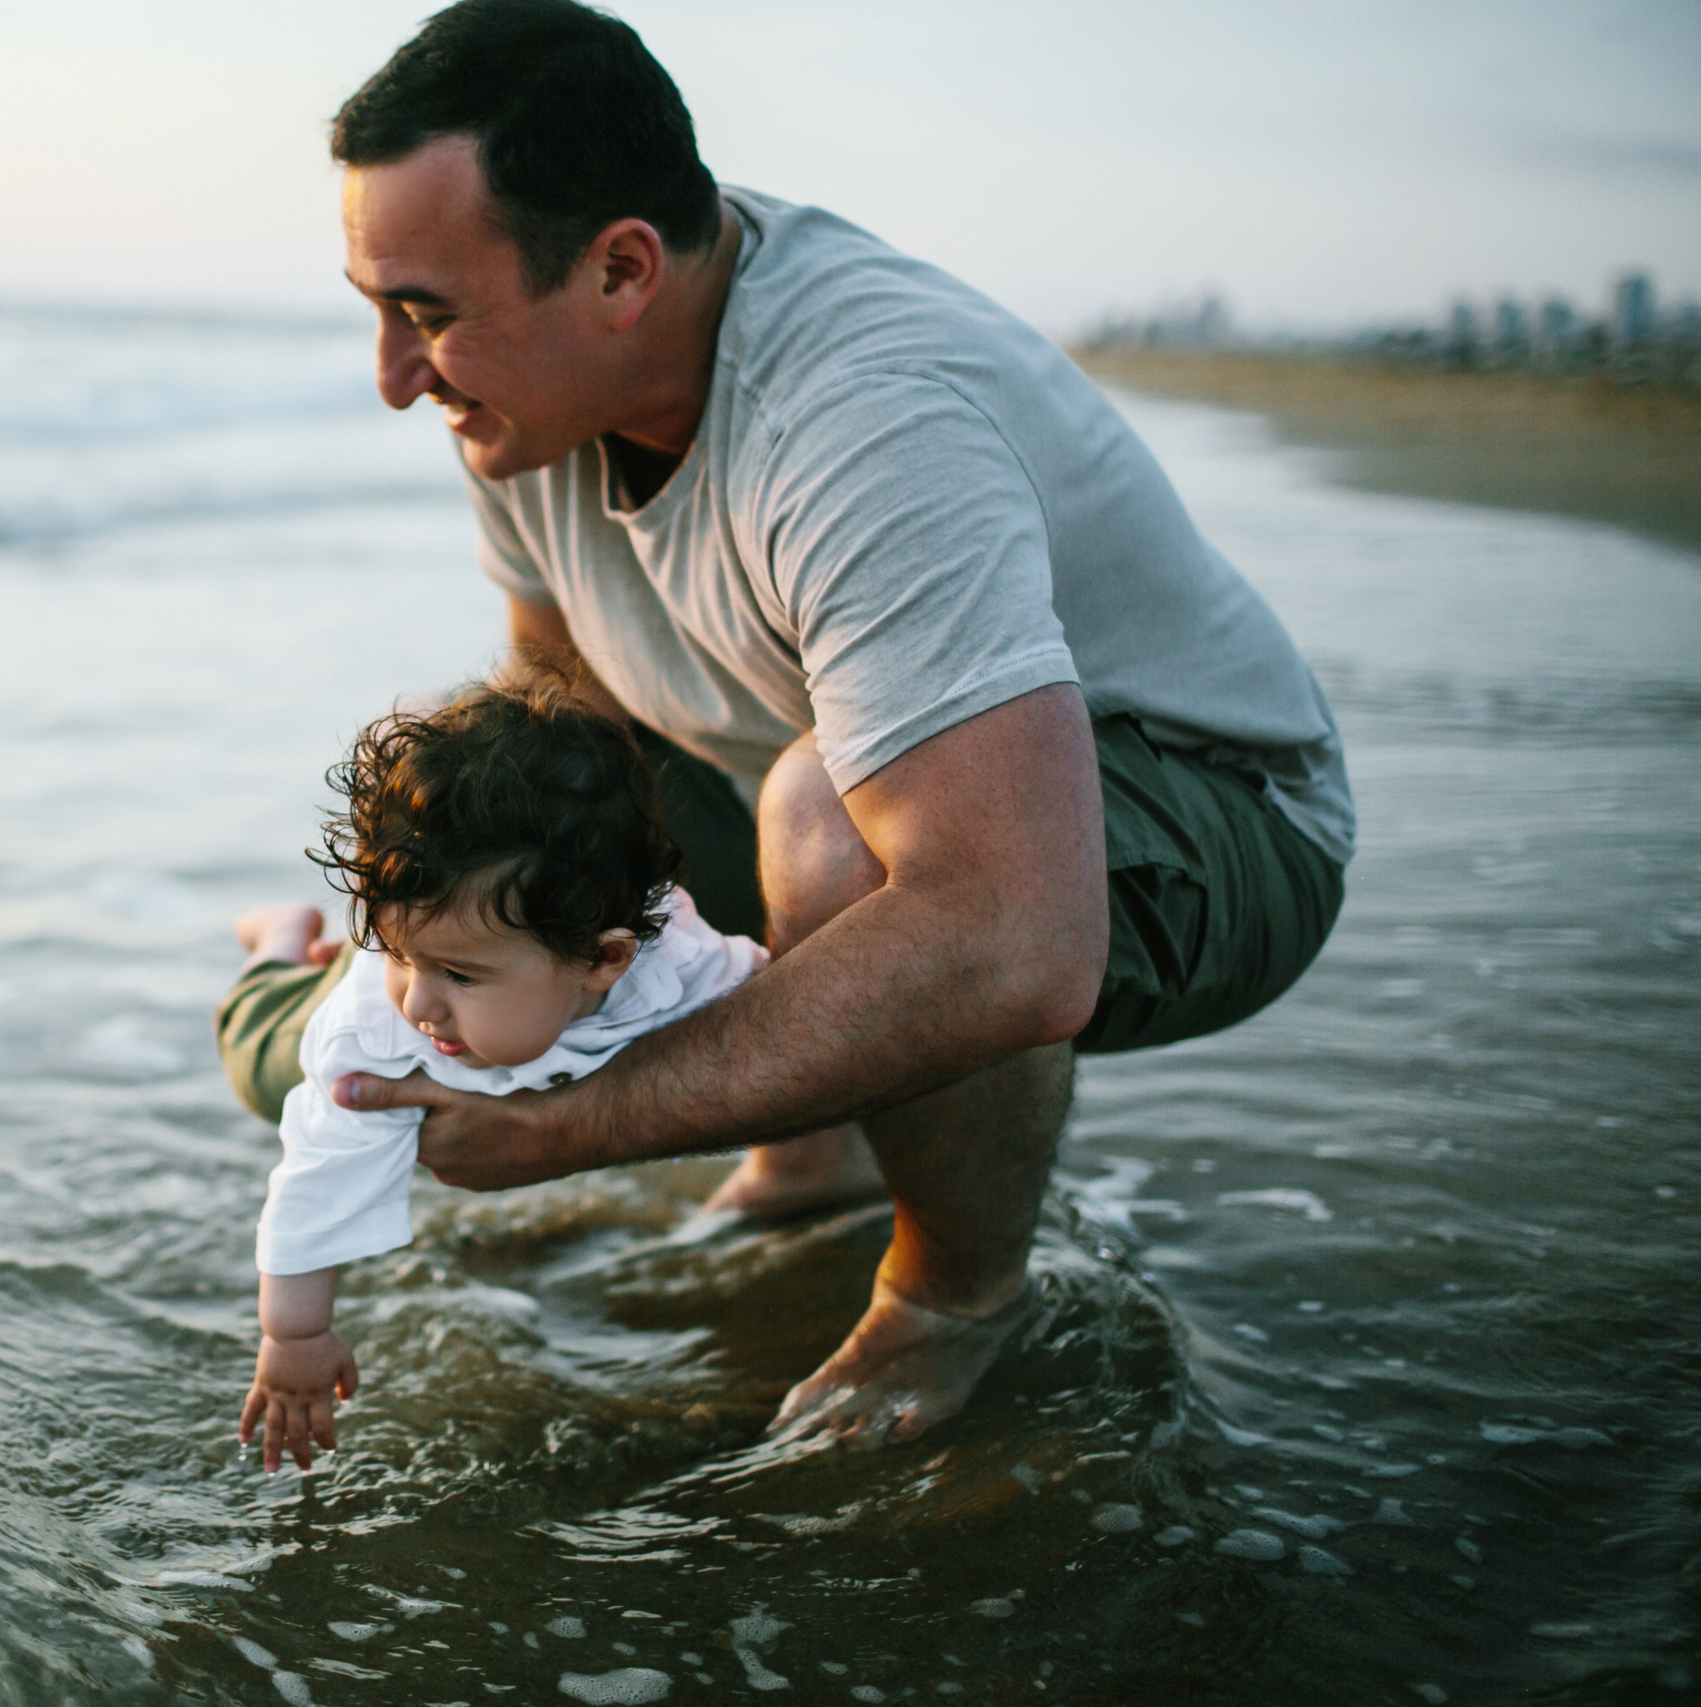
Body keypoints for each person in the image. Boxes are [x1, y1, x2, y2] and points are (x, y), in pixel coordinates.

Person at [248, 0, 1354, 1450]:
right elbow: (565, 746)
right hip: (864, 779)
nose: (397, 376)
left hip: (1215, 821)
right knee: (585, 820)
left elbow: (1011, 931)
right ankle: (806, 1156)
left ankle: (955, 1291)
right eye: (379, 306)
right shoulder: (524, 405)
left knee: (836, 821)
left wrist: (578, 1123)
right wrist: (409, 938)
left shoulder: (862, 420)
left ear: (623, 268)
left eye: (429, 314)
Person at [227, 680, 767, 1470]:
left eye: (460, 978)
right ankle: (280, 936)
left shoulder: (680, 968)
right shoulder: (377, 1028)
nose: (421, 1003)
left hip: (439, 922)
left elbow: (777, 1010)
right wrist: (295, 1335)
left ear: (602, 959)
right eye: (402, 962)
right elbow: (316, 1180)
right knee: (256, 1062)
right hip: (340, 992)